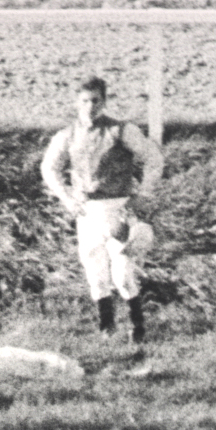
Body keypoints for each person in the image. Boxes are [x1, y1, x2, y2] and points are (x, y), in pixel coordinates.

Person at [40, 75, 165, 343]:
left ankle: (137, 327)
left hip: (118, 208)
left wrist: (143, 193)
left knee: (123, 273)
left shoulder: (121, 130)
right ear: (76, 102)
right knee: (95, 271)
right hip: (87, 212)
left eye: (96, 100)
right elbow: (49, 168)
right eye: (84, 101)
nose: (90, 106)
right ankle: (106, 329)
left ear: (104, 101)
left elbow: (153, 158)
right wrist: (66, 198)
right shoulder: (67, 135)